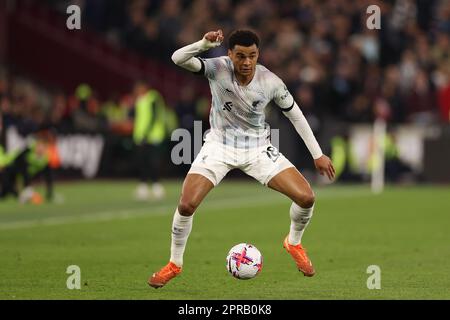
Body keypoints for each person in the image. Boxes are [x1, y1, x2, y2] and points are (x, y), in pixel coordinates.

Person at [149, 29, 335, 288]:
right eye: (240, 56)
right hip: (218, 147)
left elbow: (295, 115)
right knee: (187, 204)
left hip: (258, 149)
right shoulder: (217, 68)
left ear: (258, 55)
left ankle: (293, 242)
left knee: (306, 198)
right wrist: (203, 44)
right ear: (230, 54)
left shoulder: (270, 82)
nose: (246, 62)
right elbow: (178, 58)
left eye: (252, 56)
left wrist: (317, 154)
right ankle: (174, 264)